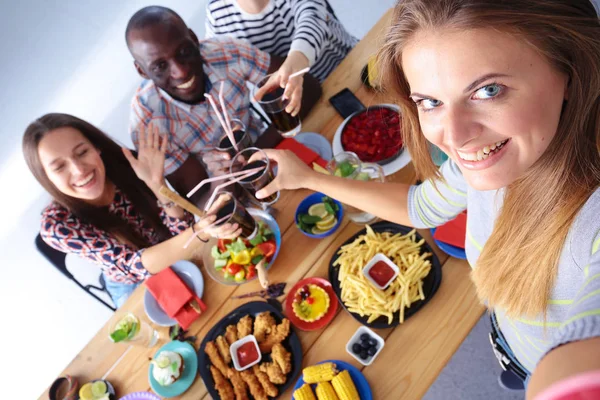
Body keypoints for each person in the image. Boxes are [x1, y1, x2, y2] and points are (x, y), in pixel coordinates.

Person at [251, 0, 600, 397]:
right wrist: (307, 177)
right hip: (513, 340)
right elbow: (420, 206)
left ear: (570, 69)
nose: (452, 136)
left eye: (488, 90)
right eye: (430, 102)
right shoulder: (489, 159)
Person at [24, 114, 240, 307]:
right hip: (135, 284)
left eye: (82, 152)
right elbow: (136, 266)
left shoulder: (125, 165)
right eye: (59, 167)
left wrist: (157, 184)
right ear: (46, 179)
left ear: (96, 147)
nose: (79, 170)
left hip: (177, 246)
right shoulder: (57, 226)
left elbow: (177, 229)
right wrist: (199, 231)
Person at [126, 6, 321, 205]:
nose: (181, 72)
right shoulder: (148, 124)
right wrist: (225, 178)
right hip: (236, 202)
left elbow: (309, 89)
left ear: (194, 38)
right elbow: (202, 201)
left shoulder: (225, 52)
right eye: (160, 66)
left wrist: (254, 154)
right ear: (141, 71)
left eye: (184, 52)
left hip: (277, 157)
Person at [205, 0, 358, 94]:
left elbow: (312, 17)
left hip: (347, 66)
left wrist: (293, 67)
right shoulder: (217, 15)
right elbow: (220, 69)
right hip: (304, 100)